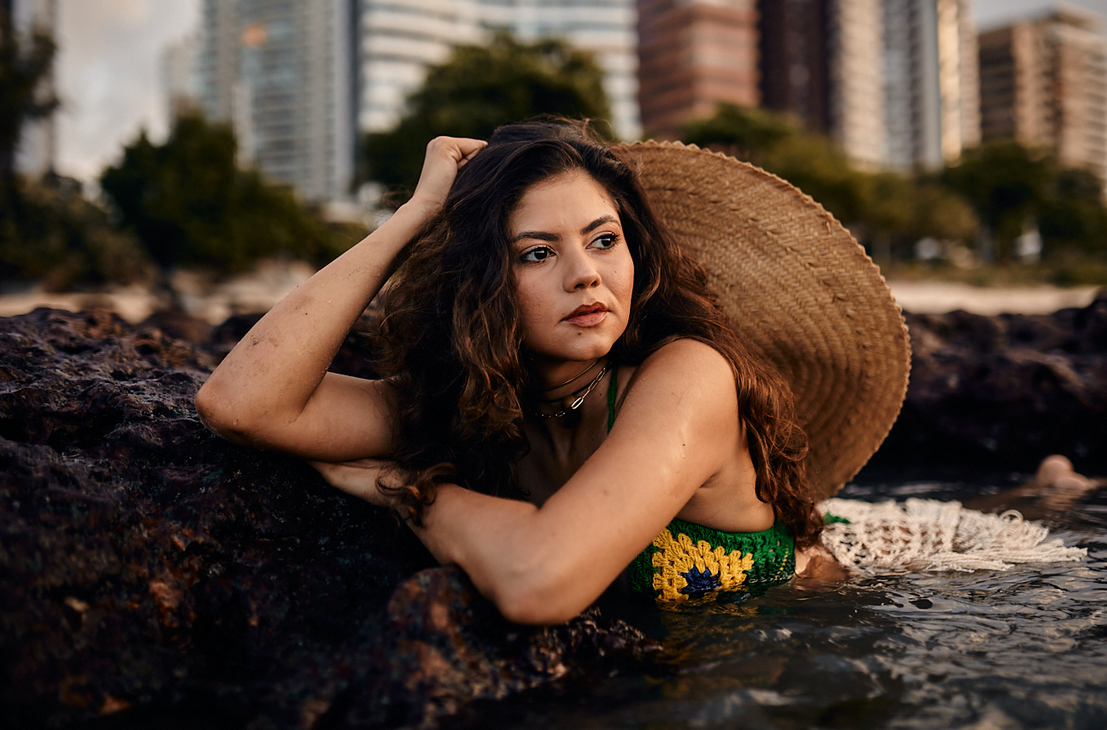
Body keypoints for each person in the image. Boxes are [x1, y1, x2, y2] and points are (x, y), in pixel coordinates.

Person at [194, 121, 914, 624]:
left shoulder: (687, 377)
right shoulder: (476, 402)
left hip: (878, 578)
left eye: (604, 240)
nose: (586, 276)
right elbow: (242, 404)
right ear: (482, 284)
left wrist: (411, 492)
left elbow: (539, 581)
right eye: (537, 252)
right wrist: (414, 217)